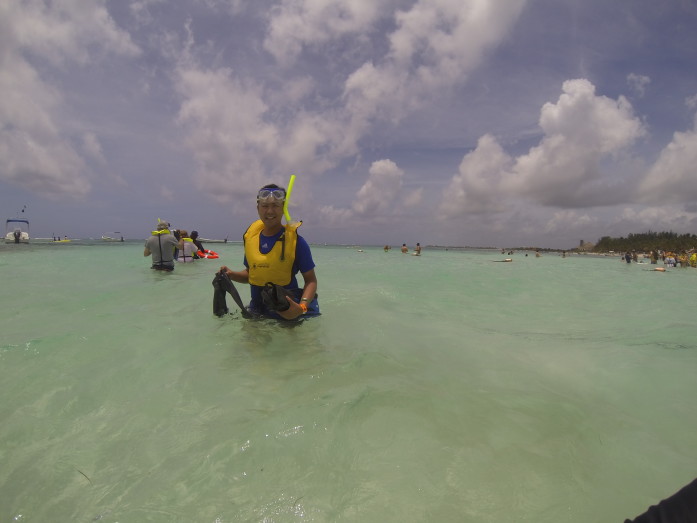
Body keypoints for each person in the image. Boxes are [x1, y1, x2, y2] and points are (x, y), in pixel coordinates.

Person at [219, 183, 319, 320]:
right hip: (256, 312)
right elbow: (252, 274)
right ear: (258, 208)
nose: (270, 211)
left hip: (286, 314)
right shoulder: (251, 239)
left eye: (276, 206)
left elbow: (311, 281)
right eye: (265, 206)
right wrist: (232, 275)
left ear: (283, 208)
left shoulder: (297, 243)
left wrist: (301, 308)